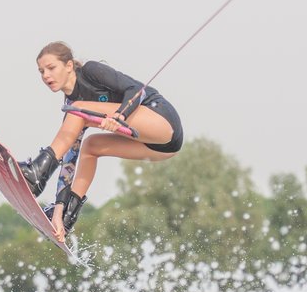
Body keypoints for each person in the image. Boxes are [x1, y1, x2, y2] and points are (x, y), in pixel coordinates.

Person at [19, 41, 184, 243]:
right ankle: (68, 216)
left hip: (162, 119)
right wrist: (58, 211)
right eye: (41, 71)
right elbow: (69, 160)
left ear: (69, 65)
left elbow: (136, 90)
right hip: (164, 148)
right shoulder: (73, 108)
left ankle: (37, 172)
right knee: (90, 147)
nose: (45, 76)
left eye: (51, 68)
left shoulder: (90, 72)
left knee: (77, 109)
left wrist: (120, 116)